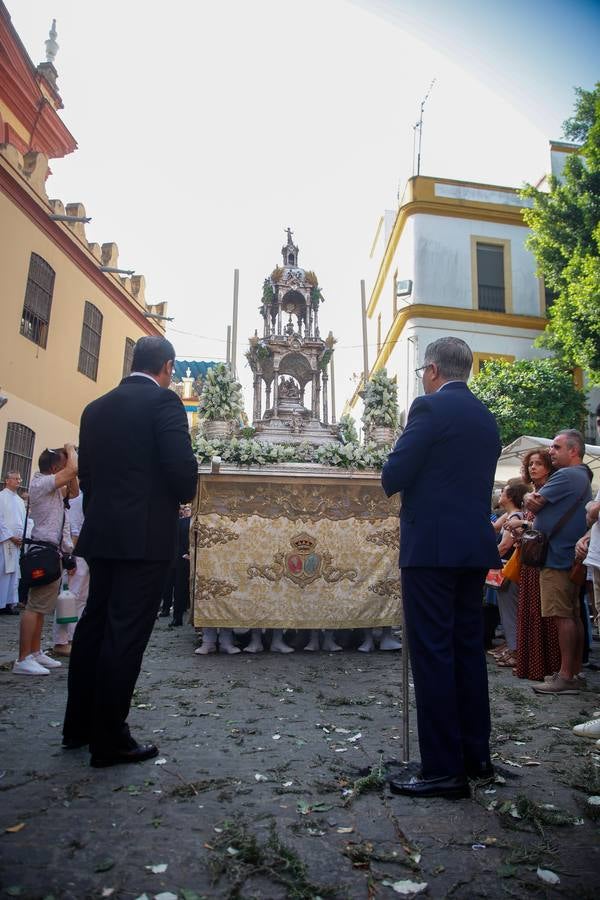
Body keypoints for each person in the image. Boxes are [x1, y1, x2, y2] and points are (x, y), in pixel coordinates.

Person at [62, 336, 198, 767]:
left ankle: (78, 725)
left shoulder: (94, 408)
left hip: (102, 533)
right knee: (125, 634)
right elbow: (181, 472)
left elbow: (86, 476)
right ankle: (109, 738)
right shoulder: (165, 405)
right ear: (168, 367)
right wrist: (183, 485)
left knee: (94, 625)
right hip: (144, 537)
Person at [381, 337, 501, 800]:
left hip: (431, 549)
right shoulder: (485, 416)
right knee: (467, 651)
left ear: (432, 371)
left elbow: (394, 476)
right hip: (471, 547)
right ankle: (476, 756)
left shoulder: (427, 410)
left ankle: (442, 769)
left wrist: (400, 443)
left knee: (433, 653)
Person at [526, 430, 592, 695]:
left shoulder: (566, 475)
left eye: (556, 447)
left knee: (562, 616)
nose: (550, 451)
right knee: (572, 616)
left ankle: (565, 676)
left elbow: (535, 502)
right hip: (568, 555)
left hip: (557, 556)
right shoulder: (582, 476)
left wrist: (529, 499)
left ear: (573, 451)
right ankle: (572, 672)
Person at [13, 446, 79, 675]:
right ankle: (23, 658)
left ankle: (35, 651)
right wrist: (71, 449)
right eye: (63, 465)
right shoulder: (41, 483)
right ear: (54, 468)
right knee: (34, 606)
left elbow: (76, 490)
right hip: (43, 550)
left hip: (53, 552)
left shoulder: (55, 487)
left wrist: (70, 467)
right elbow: (72, 471)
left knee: (42, 607)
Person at [511, 449, 560, 681]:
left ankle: (548, 666)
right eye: (531, 464)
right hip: (530, 559)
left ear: (548, 467)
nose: (533, 468)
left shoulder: (549, 491)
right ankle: (532, 664)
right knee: (530, 610)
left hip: (544, 558)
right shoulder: (534, 492)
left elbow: (543, 525)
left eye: (539, 463)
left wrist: (522, 523)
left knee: (545, 612)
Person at [492, 479, 529, 670]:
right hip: (508, 568)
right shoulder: (509, 515)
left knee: (510, 609)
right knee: (507, 609)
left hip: (510, 569)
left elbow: (505, 546)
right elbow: (494, 527)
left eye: (503, 491)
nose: (500, 494)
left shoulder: (516, 516)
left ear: (511, 496)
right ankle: (513, 647)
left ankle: (515, 650)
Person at [52, 490, 89, 655]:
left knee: (81, 599)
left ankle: (74, 636)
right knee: (69, 598)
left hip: (88, 554)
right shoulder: (78, 500)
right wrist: (70, 556)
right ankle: (60, 640)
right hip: (77, 554)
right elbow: (73, 531)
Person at [0, 471, 26, 615]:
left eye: (19, 478)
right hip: (5, 542)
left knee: (14, 573)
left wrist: (21, 537)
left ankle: (9, 602)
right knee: (3, 572)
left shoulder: (20, 501)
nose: (18, 481)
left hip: (16, 542)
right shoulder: (1, 497)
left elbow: (21, 521)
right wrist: (10, 536)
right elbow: (1, 520)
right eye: (15, 478)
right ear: (7, 480)